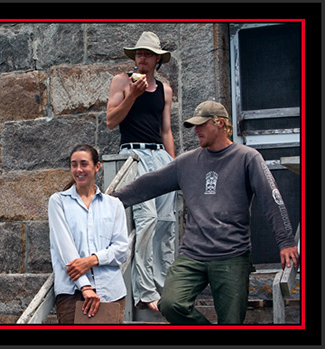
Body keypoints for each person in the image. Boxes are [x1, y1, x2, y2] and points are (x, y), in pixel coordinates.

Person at [111, 100, 299, 324]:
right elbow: (147, 185)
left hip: (232, 254)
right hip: (192, 254)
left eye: (201, 125)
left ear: (220, 123)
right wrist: (108, 201)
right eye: (194, 126)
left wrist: (286, 240)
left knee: (231, 322)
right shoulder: (186, 162)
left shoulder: (247, 157)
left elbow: (271, 198)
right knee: (170, 304)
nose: (196, 131)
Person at [106, 31, 177, 311]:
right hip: (133, 155)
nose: (142, 58)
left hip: (161, 156)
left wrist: (174, 165)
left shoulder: (165, 89)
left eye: (147, 54)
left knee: (166, 222)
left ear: (157, 59)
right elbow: (111, 121)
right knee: (145, 220)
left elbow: (167, 130)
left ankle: (165, 289)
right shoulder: (122, 81)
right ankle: (145, 294)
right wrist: (132, 96)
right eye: (138, 54)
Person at [48, 144, 129, 324]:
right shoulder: (58, 202)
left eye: (84, 164)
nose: (78, 170)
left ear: (97, 166)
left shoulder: (114, 205)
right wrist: (85, 287)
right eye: (73, 164)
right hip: (73, 293)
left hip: (111, 292)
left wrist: (92, 260)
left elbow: (122, 250)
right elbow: (65, 250)